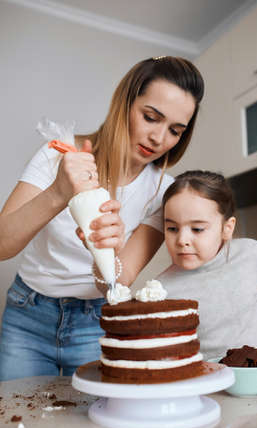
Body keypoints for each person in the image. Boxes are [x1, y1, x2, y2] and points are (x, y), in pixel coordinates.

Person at [0, 57, 205, 380]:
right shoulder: (58, 155)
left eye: (175, 131)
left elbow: (115, 282)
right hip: (27, 316)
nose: (159, 139)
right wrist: (58, 192)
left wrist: (106, 252)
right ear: (125, 101)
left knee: (88, 426)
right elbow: (2, 246)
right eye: (151, 117)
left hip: (94, 323)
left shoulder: (162, 192)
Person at [156, 170, 257, 360]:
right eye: (172, 228)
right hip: (206, 380)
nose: (182, 240)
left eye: (197, 229)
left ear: (227, 228)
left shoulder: (252, 254)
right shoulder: (161, 289)